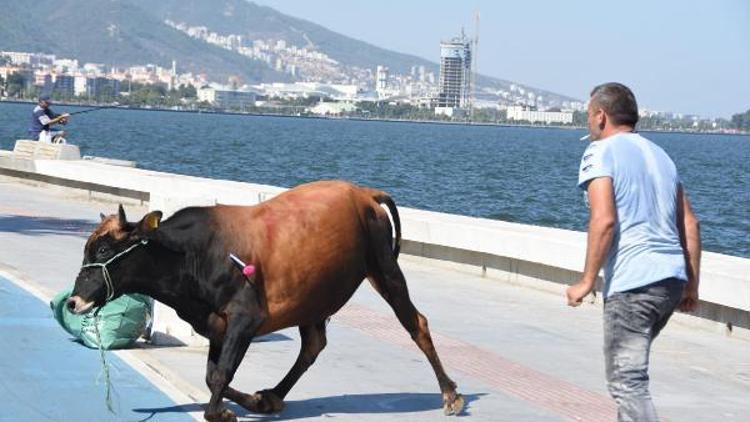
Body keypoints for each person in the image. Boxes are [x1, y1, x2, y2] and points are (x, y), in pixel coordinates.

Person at [566, 82, 701, 421]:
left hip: (633, 284)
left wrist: (585, 281)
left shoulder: (600, 152)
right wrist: (691, 285)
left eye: (588, 116)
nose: (588, 124)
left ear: (600, 116)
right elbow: (690, 224)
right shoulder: (662, 156)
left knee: (628, 382)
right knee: (631, 375)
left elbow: (604, 221)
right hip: (669, 281)